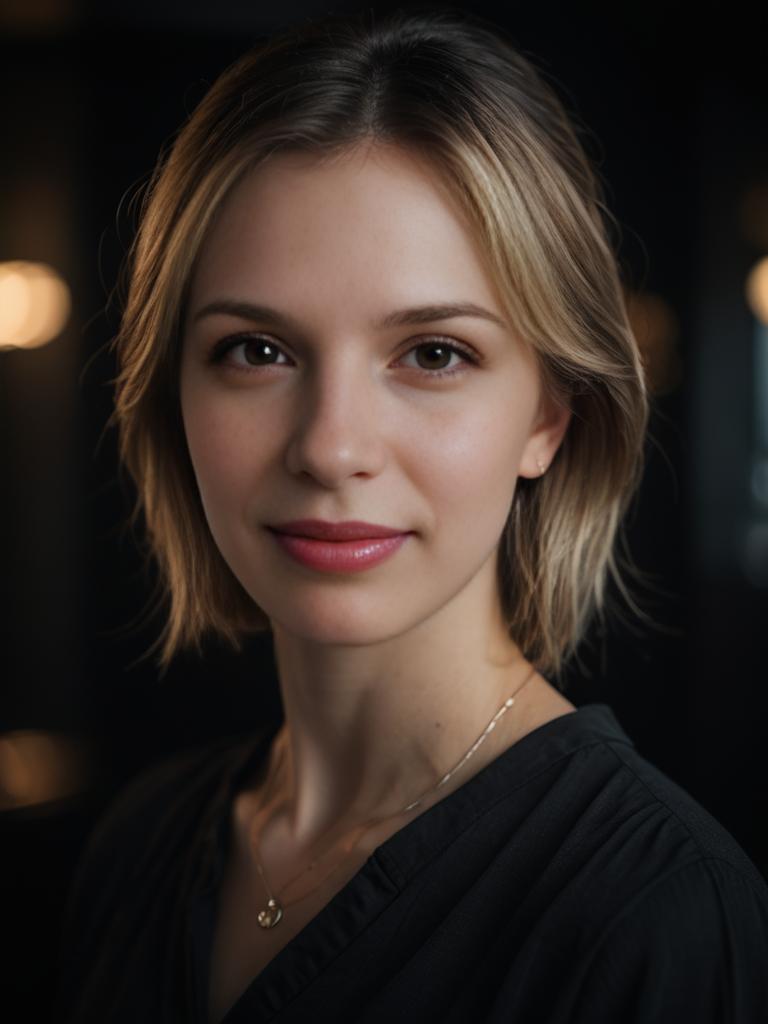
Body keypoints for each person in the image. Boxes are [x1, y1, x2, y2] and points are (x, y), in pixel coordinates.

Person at [55, 6, 768, 1023]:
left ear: (549, 418)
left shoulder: (658, 918)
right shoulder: (137, 846)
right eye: (257, 350)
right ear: (174, 396)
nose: (332, 446)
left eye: (434, 353)